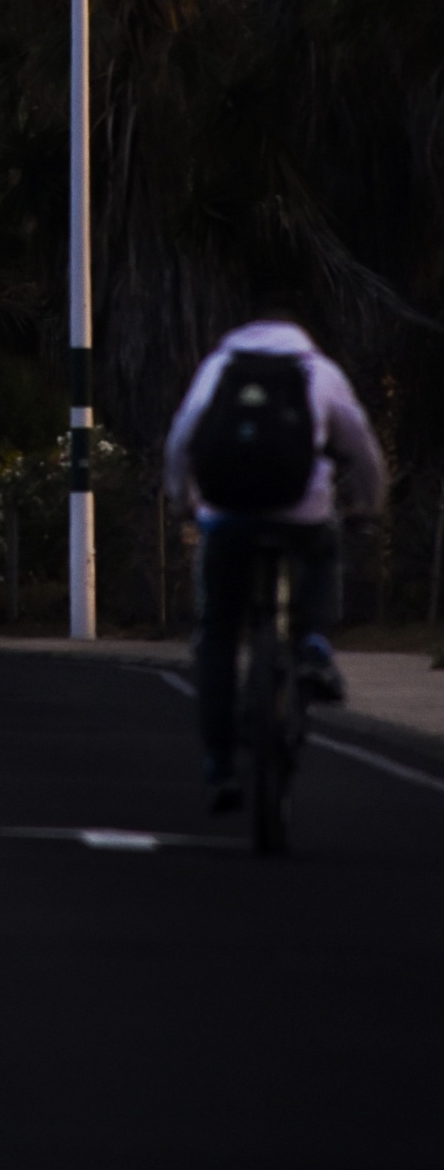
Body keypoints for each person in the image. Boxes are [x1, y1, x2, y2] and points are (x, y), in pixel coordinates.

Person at [164, 307, 386, 812]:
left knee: (218, 633)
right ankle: (314, 645)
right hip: (301, 513)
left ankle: (220, 764)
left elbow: (181, 438)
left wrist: (183, 499)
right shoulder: (318, 369)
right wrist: (369, 505)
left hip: (226, 515)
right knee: (322, 552)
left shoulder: (219, 367)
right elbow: (362, 446)